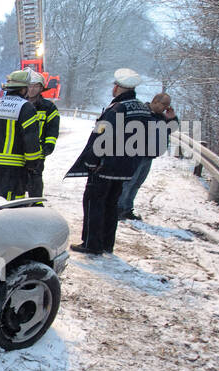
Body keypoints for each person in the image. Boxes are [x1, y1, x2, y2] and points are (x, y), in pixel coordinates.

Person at [67, 68, 157, 255]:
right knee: (111, 204)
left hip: (105, 165)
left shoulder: (115, 109)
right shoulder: (143, 109)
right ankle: (107, 243)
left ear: (117, 88)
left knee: (94, 202)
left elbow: (100, 138)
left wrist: (92, 162)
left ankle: (91, 244)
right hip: (127, 167)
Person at [0, 70, 42, 201]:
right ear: (23, 89)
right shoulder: (26, 108)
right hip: (12, 168)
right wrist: (32, 163)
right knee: (9, 205)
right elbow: (30, 139)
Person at [118, 92, 177, 220]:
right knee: (128, 183)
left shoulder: (161, 117)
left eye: (168, 105)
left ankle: (127, 209)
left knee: (137, 183)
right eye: (164, 104)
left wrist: (172, 118)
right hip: (136, 154)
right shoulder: (143, 112)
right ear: (155, 101)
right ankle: (118, 210)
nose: (166, 108)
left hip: (149, 156)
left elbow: (171, 130)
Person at [24, 70, 60, 199]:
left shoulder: (48, 107)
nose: (32, 89)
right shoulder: (19, 104)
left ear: (41, 88)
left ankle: (36, 204)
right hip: (17, 151)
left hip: (37, 152)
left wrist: (47, 148)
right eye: (29, 86)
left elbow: (52, 130)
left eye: (35, 86)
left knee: (35, 179)